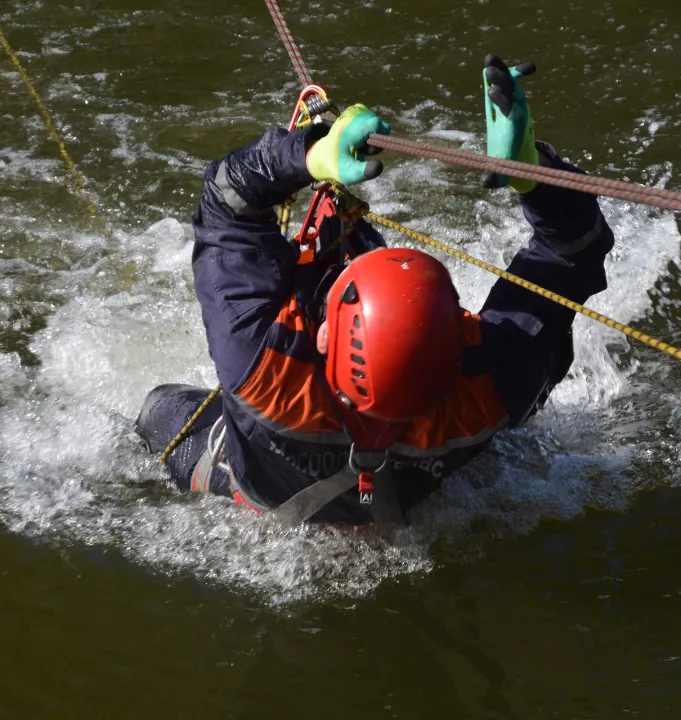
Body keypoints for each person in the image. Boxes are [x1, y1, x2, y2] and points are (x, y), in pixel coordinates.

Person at [135, 54, 615, 525]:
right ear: (461, 338)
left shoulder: (262, 364)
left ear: (326, 337)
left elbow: (224, 201)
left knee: (157, 407)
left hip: (260, 488)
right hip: (410, 486)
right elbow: (572, 252)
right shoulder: (493, 385)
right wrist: (533, 168)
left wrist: (308, 155)